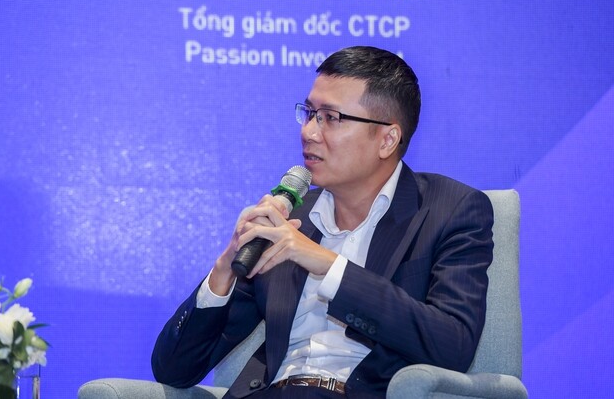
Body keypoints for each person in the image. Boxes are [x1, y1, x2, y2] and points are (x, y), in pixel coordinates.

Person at [151, 46, 494, 398]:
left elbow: (452, 345)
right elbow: (174, 369)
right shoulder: (289, 221)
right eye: (309, 113)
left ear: (387, 139)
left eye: (330, 117)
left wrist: (329, 266)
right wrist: (226, 266)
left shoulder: (449, 210)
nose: (309, 132)